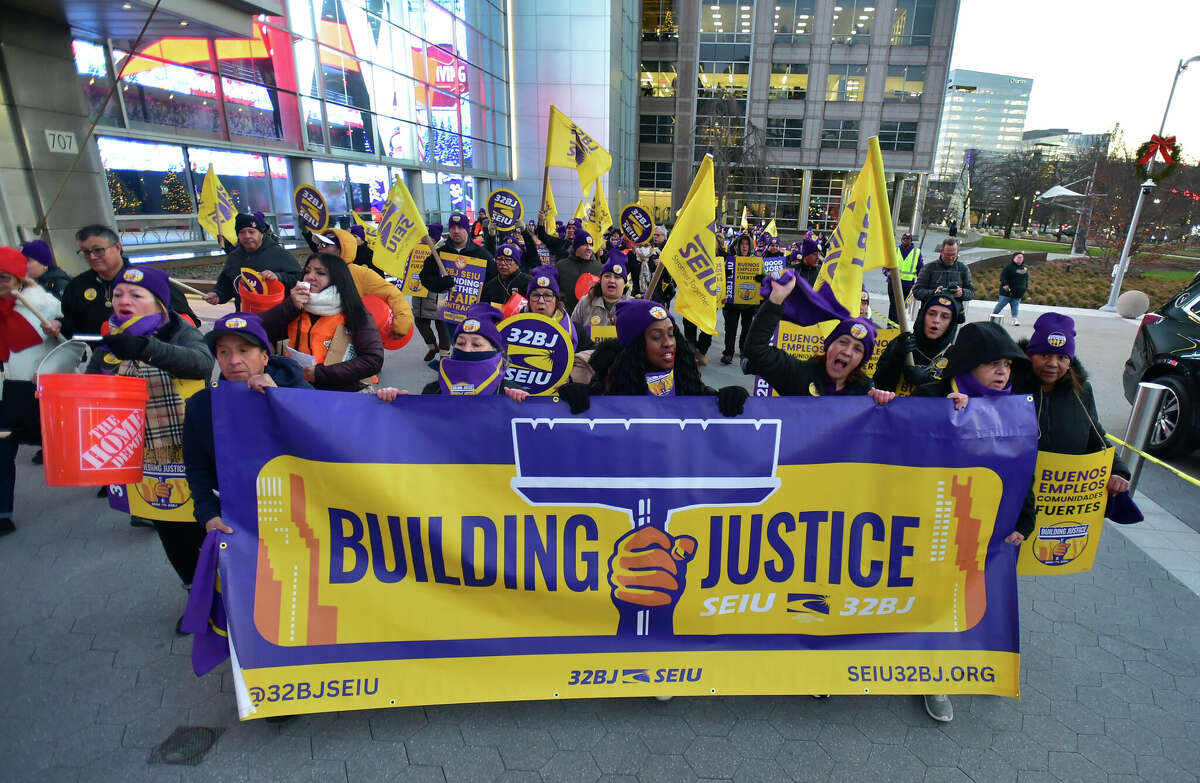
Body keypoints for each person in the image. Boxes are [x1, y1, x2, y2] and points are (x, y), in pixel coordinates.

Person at [911, 320, 1034, 724]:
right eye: (992, 364)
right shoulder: (933, 396)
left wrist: (1025, 520)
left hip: (979, 529)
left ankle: (936, 676)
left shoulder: (1015, 408)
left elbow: (1022, 472)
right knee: (923, 595)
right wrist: (943, 415)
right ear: (966, 365)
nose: (1003, 372)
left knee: (959, 601)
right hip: (928, 521)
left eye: (1007, 365)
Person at [85, 266, 213, 622]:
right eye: (120, 294)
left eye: (136, 295)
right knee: (170, 532)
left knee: (203, 526)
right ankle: (196, 596)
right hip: (142, 459)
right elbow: (92, 390)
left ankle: (226, 591)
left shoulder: (180, 331)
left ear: (158, 303)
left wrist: (146, 348)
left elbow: (202, 363)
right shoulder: (109, 341)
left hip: (191, 454)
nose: (125, 300)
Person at [183, 312, 312, 541]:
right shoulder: (202, 406)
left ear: (264, 356)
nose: (233, 361)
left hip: (305, 517)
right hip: (240, 524)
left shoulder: (299, 394)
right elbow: (197, 468)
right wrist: (208, 513)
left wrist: (280, 399)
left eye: (244, 350)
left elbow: (329, 440)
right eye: (224, 352)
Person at [0, 247, 82, 535]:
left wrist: (58, 331)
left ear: (19, 278)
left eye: (4, 277)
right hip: (4, 390)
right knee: (2, 447)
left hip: (36, 388)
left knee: (72, 439)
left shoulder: (44, 303)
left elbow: (74, 348)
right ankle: (2, 513)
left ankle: (112, 481)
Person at [555, 299, 749, 417]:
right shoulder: (609, 382)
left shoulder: (684, 375)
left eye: (671, 334)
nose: (668, 343)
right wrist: (576, 397)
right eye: (656, 336)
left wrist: (723, 397)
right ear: (636, 346)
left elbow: (700, 401)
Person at [1013, 313, 1131, 493]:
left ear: (1070, 362)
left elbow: (1096, 438)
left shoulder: (1081, 392)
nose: (1053, 364)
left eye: (1062, 358)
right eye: (1045, 355)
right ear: (1030, 356)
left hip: (1061, 500)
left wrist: (1118, 471)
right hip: (1016, 492)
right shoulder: (1010, 388)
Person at [744, 275, 895, 403]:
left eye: (858, 349)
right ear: (828, 346)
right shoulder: (798, 374)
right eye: (843, 342)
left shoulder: (864, 393)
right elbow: (756, 350)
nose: (848, 352)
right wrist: (775, 301)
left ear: (862, 360)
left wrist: (883, 404)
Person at [260, 253, 384, 392]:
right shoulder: (296, 307)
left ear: (337, 279)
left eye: (320, 273)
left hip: (343, 394)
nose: (310, 276)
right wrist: (290, 305)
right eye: (307, 271)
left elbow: (373, 360)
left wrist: (320, 374)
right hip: (299, 388)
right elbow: (259, 331)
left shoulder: (355, 311)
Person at [56, 225, 197, 339]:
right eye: (86, 252)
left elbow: (187, 321)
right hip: (105, 363)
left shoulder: (149, 280)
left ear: (117, 247)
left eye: (98, 250)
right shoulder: (77, 287)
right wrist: (59, 326)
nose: (92, 256)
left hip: (154, 359)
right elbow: (73, 327)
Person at [376, 304, 528, 400]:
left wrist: (524, 408)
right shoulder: (433, 391)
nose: (467, 349)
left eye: (476, 344)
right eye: (461, 343)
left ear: (493, 351)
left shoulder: (509, 393)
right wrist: (396, 404)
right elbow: (419, 432)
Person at [319, 228, 413, 341]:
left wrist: (402, 324)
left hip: (350, 338)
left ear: (340, 249)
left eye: (325, 244)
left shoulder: (360, 274)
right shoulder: (313, 271)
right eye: (319, 244)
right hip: (319, 336)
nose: (319, 247)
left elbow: (392, 293)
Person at [204, 213, 302, 308]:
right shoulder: (234, 257)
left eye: (251, 231)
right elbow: (226, 282)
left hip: (275, 317)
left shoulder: (279, 253)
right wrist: (218, 294)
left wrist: (278, 277)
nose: (247, 236)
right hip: (245, 317)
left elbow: (299, 278)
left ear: (261, 234)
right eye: (242, 232)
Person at [873, 294, 962, 393]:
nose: (936, 320)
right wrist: (895, 357)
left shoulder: (953, 355)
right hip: (894, 406)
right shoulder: (903, 342)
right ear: (923, 315)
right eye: (932, 314)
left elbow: (954, 397)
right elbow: (878, 384)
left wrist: (926, 381)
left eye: (945, 317)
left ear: (951, 323)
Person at [571, 250, 630, 348]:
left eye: (617, 277)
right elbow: (572, 333)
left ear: (624, 284)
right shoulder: (585, 302)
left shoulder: (632, 306)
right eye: (607, 276)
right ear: (600, 280)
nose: (611, 280)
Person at [412, 223, 449, 361]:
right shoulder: (416, 249)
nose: (422, 239)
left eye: (425, 236)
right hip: (418, 292)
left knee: (442, 324)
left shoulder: (444, 251)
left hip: (437, 295)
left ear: (434, 238)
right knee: (420, 321)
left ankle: (445, 354)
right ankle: (433, 347)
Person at [720, 234, 757, 365]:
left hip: (749, 302)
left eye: (747, 244)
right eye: (742, 244)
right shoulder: (730, 261)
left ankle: (743, 348)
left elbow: (764, 277)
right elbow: (721, 280)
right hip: (732, 302)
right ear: (737, 246)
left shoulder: (756, 262)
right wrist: (726, 273)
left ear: (750, 246)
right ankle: (728, 353)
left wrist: (760, 278)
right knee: (730, 329)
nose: (744, 246)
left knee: (747, 329)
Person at [524, 266, 578, 347]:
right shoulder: (515, 326)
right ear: (528, 300)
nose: (541, 301)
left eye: (547, 295)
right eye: (535, 295)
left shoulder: (576, 329)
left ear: (556, 300)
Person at [912, 238, 974, 305]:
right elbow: (917, 292)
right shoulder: (928, 268)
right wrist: (934, 293)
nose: (950, 258)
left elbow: (971, 293)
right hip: (931, 311)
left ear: (958, 252)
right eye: (948, 255)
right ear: (941, 252)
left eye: (953, 255)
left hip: (954, 312)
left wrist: (962, 292)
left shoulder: (963, 268)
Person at [554, 230, 602, 314]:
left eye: (591, 245)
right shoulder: (561, 266)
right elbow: (554, 288)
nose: (589, 248)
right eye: (585, 244)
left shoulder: (600, 267)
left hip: (591, 316)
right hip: (566, 315)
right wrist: (559, 301)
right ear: (576, 247)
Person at [885, 233, 923, 325]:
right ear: (901, 239)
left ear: (911, 241)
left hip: (907, 284)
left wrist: (921, 281)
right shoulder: (895, 250)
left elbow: (920, 269)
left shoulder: (916, 252)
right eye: (904, 238)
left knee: (901, 306)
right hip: (893, 283)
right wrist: (887, 273)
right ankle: (891, 325)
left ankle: (897, 325)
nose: (905, 240)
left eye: (908, 239)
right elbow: (885, 266)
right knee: (894, 304)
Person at [638, 226, 676, 305]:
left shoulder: (669, 249)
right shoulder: (650, 248)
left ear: (664, 236)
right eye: (654, 235)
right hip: (651, 288)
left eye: (658, 235)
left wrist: (663, 265)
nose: (655, 237)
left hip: (663, 291)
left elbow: (674, 270)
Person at [992, 252, 1029, 325]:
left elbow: (1025, 279)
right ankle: (992, 317)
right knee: (1000, 305)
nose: (1020, 259)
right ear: (1014, 258)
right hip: (1007, 292)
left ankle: (1014, 320)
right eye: (1018, 257)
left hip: (1018, 292)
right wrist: (1005, 284)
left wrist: (1025, 288)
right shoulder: (1009, 267)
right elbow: (1003, 276)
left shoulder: (1024, 268)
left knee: (1015, 306)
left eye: (1021, 257)